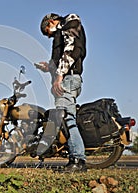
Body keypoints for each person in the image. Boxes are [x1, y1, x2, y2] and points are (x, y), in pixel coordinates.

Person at [35, 13, 87, 172]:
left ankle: (78, 159)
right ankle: (76, 158)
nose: (49, 36)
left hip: (68, 79)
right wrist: (49, 67)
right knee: (65, 117)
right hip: (67, 78)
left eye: (47, 32)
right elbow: (61, 56)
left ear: (51, 22)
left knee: (66, 118)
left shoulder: (70, 23)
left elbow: (72, 50)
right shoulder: (62, 31)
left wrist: (59, 77)